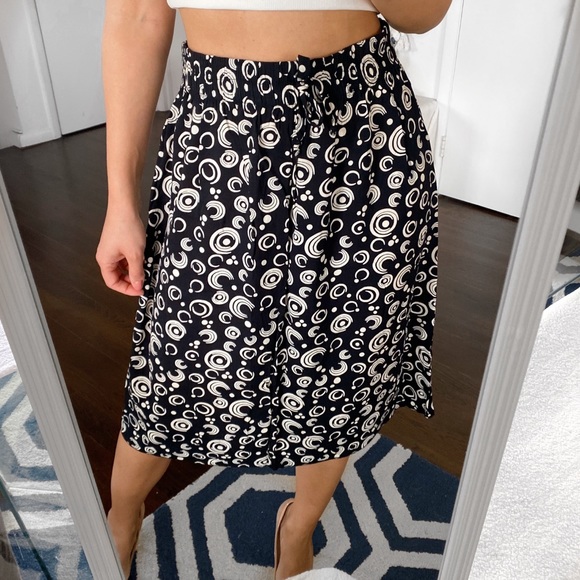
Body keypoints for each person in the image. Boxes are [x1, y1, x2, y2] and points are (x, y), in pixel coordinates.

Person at [96, 1, 451, 578]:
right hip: (219, 141)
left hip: (362, 136)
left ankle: (299, 525)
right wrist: (120, 201)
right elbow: (135, 16)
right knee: (179, 365)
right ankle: (122, 514)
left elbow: (423, 14)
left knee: (340, 371)